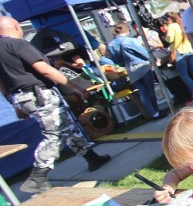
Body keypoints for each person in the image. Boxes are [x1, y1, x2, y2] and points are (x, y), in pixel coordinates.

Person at [0, 17, 111, 193]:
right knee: (53, 134)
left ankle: (92, 158)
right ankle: (38, 177)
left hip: (21, 96)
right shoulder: (18, 44)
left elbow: (2, 83)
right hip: (38, 94)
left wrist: (16, 105)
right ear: (15, 26)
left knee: (66, 126)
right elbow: (44, 69)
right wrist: (75, 86)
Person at [107, 21, 160, 119]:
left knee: (143, 92)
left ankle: (153, 114)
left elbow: (116, 61)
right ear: (127, 30)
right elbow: (144, 53)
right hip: (142, 65)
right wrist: (154, 59)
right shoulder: (130, 40)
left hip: (129, 69)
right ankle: (157, 111)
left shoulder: (111, 45)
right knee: (150, 90)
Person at [163, 11, 193, 104]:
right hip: (189, 50)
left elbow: (169, 39)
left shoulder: (172, 26)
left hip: (179, 52)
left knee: (185, 76)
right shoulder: (181, 23)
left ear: (168, 19)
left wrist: (165, 35)